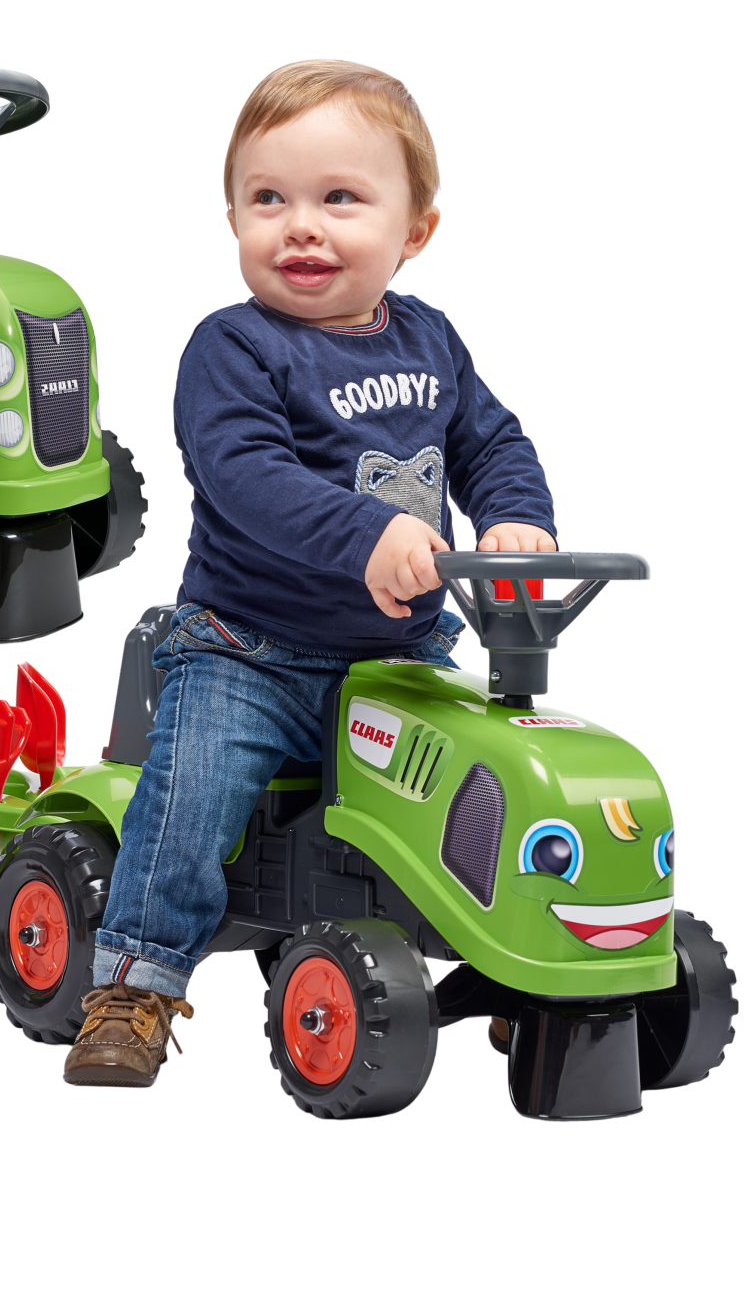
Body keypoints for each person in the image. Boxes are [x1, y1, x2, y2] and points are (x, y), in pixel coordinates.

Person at [63, 59, 556, 1087]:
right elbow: (248, 478)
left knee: (476, 798)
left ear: (414, 230)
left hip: (397, 656)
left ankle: (521, 961)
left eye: (339, 198)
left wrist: (515, 519)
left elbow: (491, 443)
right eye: (268, 199)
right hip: (248, 654)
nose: (300, 227)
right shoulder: (232, 349)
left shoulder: (431, 341)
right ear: (233, 217)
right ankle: (134, 985)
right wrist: (369, 534)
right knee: (190, 797)